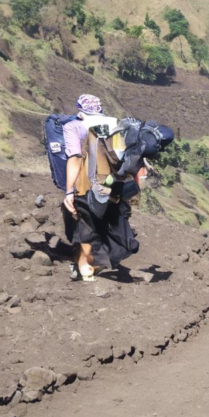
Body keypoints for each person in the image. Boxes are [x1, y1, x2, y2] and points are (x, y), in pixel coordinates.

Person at [62, 94, 139, 281]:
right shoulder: (116, 126)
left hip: (86, 186)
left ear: (80, 110)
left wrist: (69, 191)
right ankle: (97, 262)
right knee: (107, 224)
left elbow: (74, 158)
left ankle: (85, 265)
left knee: (86, 226)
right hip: (114, 187)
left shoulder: (74, 126)